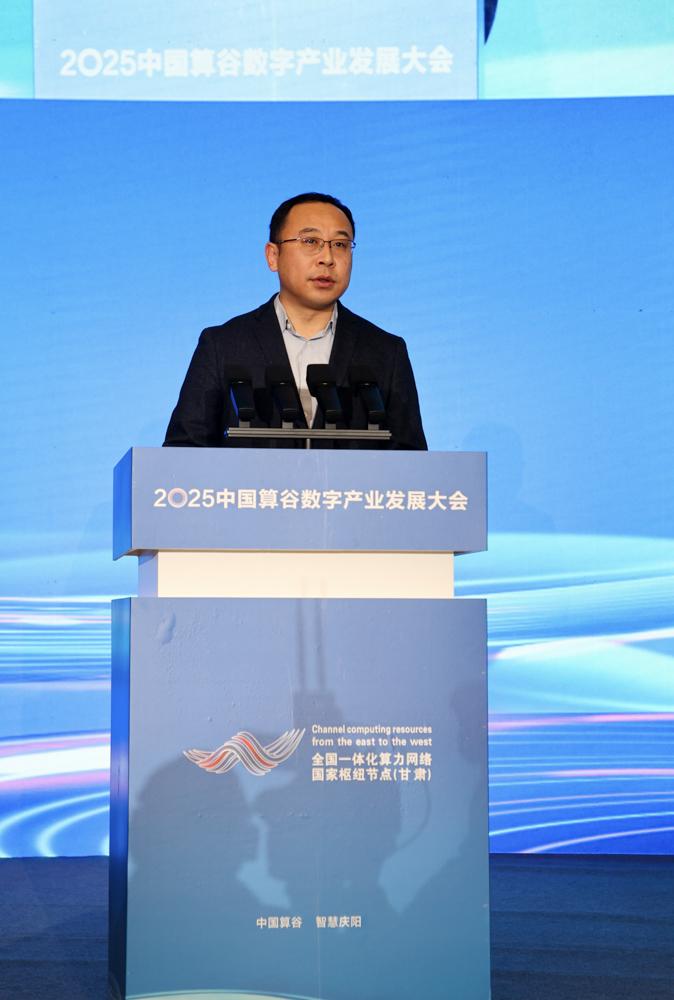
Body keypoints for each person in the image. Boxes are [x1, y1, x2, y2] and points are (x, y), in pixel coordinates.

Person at [163, 192, 427, 450]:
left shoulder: (386, 351)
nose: (327, 258)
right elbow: (184, 452)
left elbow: (411, 462)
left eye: (340, 244)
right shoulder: (223, 345)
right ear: (273, 256)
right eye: (310, 241)